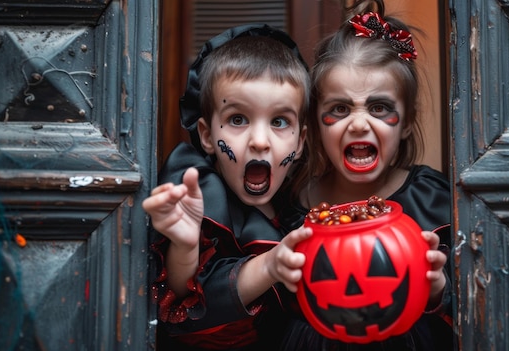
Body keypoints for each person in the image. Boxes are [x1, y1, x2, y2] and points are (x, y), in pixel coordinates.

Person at [281, 0, 455, 349]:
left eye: (378, 108)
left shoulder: (432, 201)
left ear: (406, 123)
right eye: (340, 109)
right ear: (317, 123)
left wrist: (439, 290)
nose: (359, 124)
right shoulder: (288, 205)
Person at [143, 24, 314, 350]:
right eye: (238, 119)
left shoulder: (296, 207)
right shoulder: (200, 198)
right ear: (207, 135)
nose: (260, 141)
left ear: (301, 140)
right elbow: (182, 297)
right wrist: (185, 244)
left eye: (279, 122)